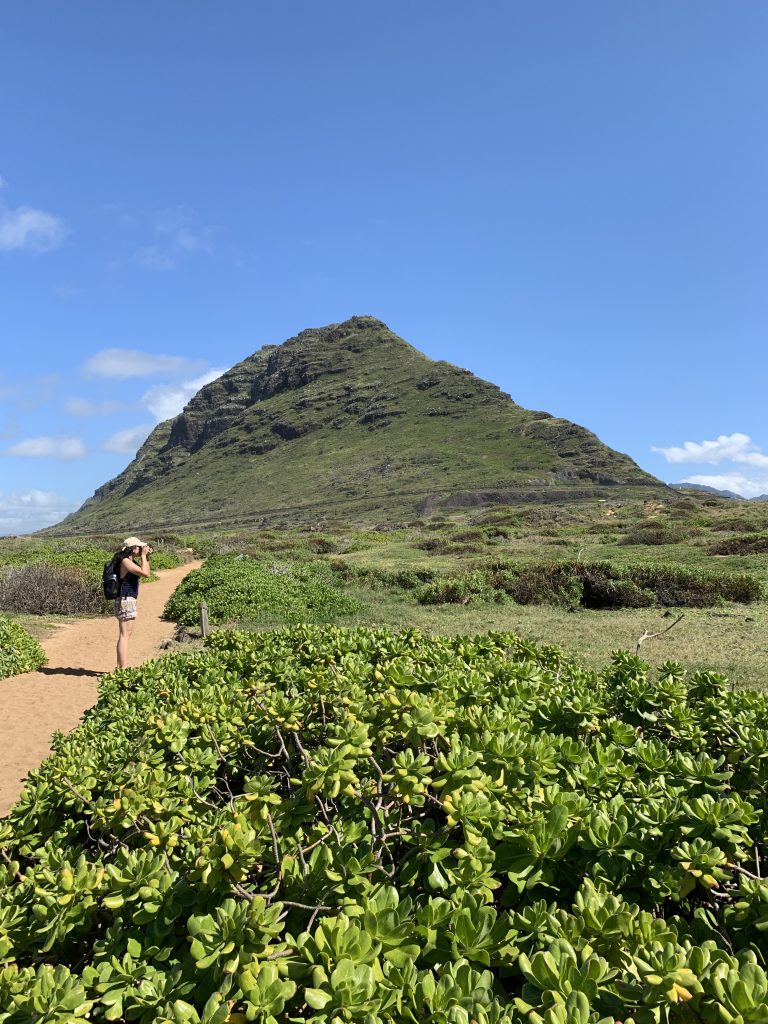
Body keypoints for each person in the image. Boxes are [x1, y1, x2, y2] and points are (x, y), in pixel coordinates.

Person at [115, 536, 153, 668]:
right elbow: (145, 574)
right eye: (139, 547)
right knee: (125, 635)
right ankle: (123, 668)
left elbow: (146, 571)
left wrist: (146, 557)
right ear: (132, 548)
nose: (141, 548)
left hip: (128, 599)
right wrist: (143, 556)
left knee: (126, 634)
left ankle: (121, 666)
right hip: (125, 599)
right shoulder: (125, 561)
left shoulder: (130, 561)